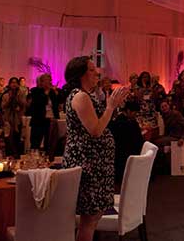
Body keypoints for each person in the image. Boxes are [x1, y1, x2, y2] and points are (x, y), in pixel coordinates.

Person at [62, 56, 129, 241]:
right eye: (92, 70)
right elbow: (96, 130)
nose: (96, 73)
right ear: (81, 74)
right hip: (87, 165)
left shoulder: (86, 95)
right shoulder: (80, 97)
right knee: (89, 219)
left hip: (96, 164)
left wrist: (112, 107)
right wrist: (110, 107)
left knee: (94, 216)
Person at [109, 100, 145, 183]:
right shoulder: (123, 123)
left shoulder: (124, 121)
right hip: (126, 152)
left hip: (125, 151)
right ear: (128, 111)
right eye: (135, 113)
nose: (136, 115)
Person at [27, 75, 52, 150]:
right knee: (35, 142)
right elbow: (39, 103)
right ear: (42, 82)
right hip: (38, 120)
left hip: (49, 119)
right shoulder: (35, 91)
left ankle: (47, 158)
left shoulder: (52, 92)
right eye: (48, 80)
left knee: (49, 142)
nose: (50, 82)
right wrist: (46, 93)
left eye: (50, 80)